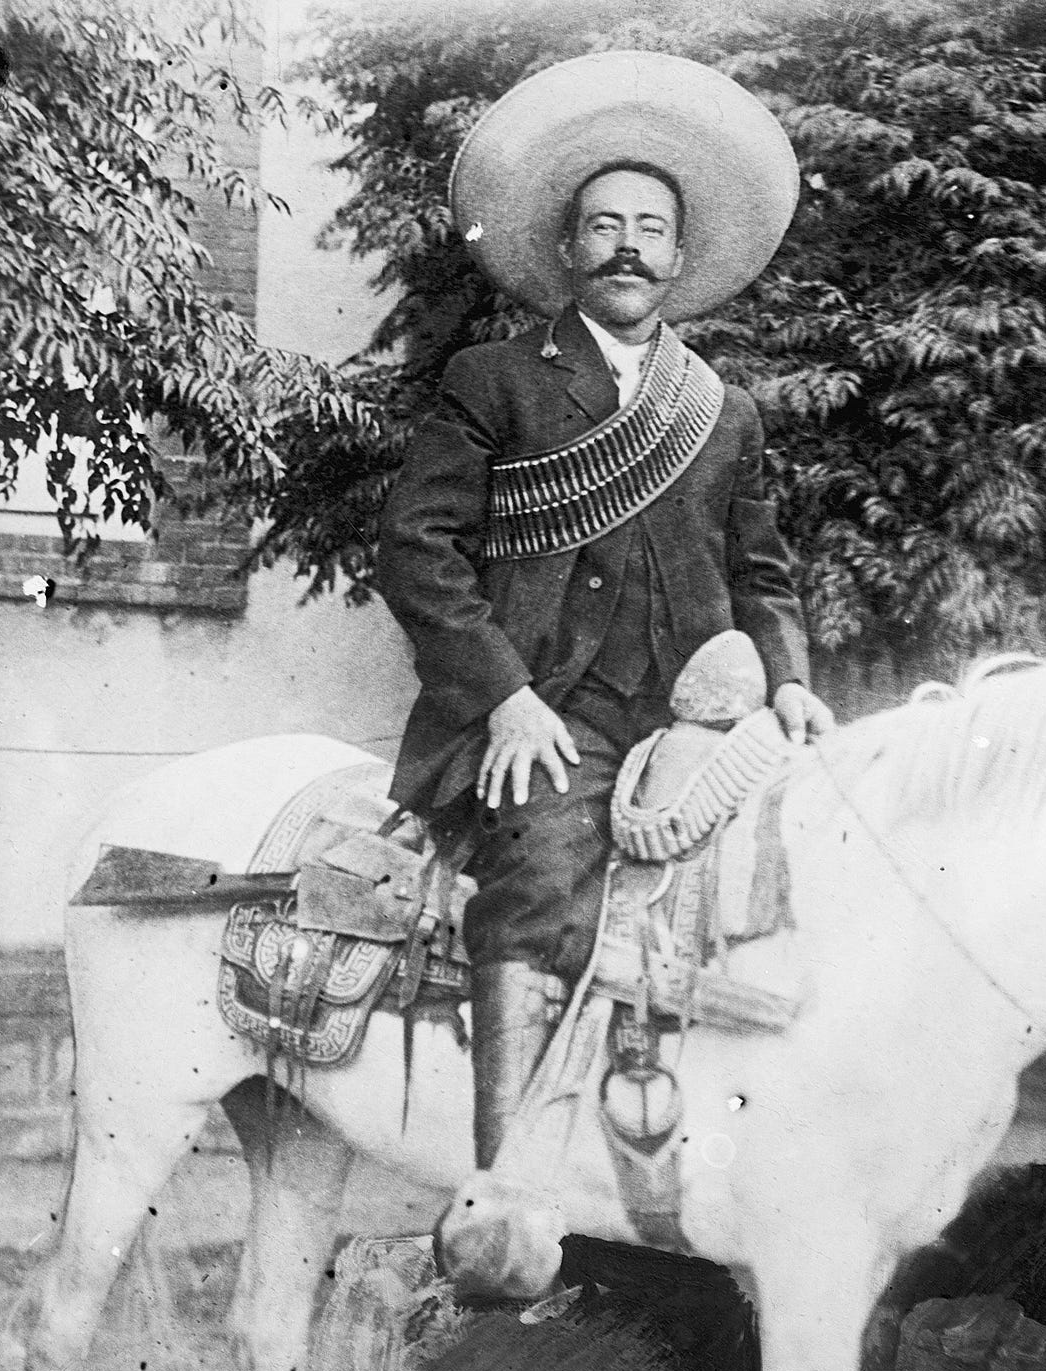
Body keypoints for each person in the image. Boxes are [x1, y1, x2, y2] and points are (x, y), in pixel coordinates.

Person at [375, 53, 833, 1168]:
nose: (628, 245)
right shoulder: (495, 379)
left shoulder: (721, 413)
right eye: (604, 225)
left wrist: (789, 682)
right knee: (537, 874)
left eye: (650, 228)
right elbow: (415, 549)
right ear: (569, 250)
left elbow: (762, 572)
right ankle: (507, 1190)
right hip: (548, 714)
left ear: (680, 257)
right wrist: (506, 699)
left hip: (694, 718)